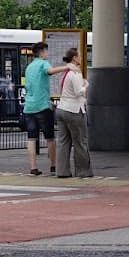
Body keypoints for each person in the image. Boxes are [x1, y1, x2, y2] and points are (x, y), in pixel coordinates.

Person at [23, 42, 71, 176]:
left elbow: (32, 87)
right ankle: (53, 165)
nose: (47, 54)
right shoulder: (43, 63)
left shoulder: (29, 67)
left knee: (31, 139)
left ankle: (33, 168)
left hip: (29, 107)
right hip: (42, 106)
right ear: (42, 52)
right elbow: (50, 71)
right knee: (50, 137)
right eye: (46, 51)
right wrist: (66, 67)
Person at [54, 47, 92, 178]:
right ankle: (83, 171)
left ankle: (62, 171)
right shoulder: (75, 72)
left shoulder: (64, 72)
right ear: (74, 58)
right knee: (80, 141)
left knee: (63, 142)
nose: (81, 58)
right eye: (80, 56)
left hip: (61, 108)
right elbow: (78, 92)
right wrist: (85, 85)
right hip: (74, 110)